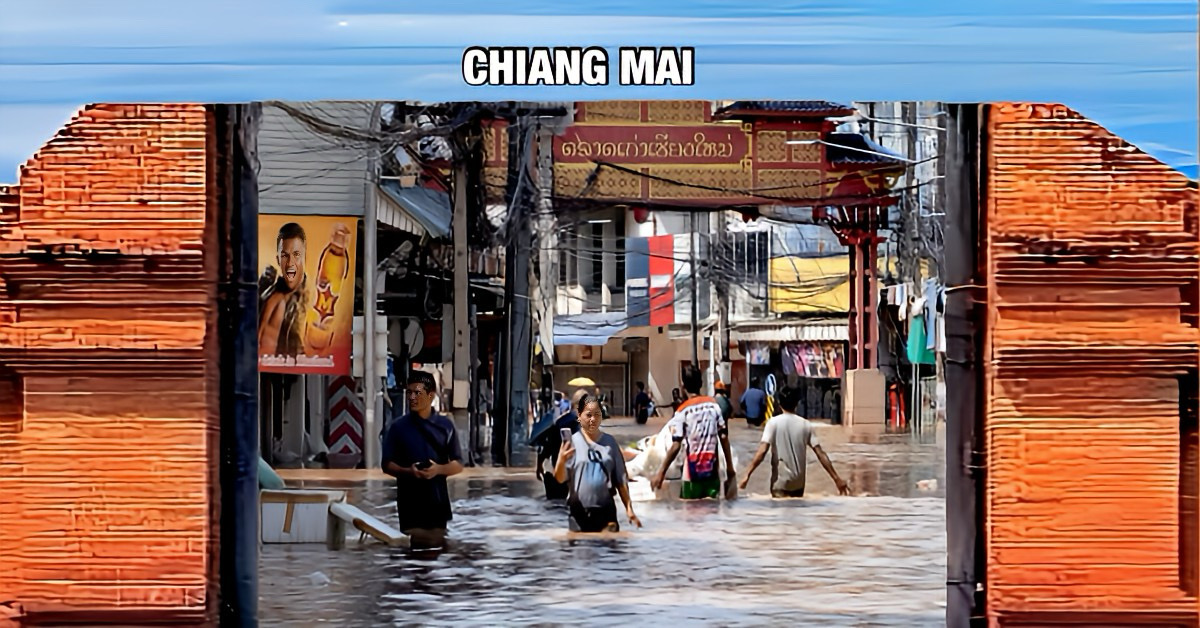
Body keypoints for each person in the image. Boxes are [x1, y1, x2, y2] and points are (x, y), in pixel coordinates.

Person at [381, 371, 465, 549]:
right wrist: (408, 472)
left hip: (438, 503)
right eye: (409, 392)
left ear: (431, 395)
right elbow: (386, 464)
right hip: (410, 505)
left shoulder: (445, 427)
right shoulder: (398, 428)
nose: (412, 397)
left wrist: (438, 470)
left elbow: (458, 464)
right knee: (412, 553)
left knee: (437, 550)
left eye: (417, 393)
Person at [739, 385, 850, 497]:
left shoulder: (773, 423)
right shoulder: (805, 424)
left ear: (779, 403)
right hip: (799, 485)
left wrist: (747, 475)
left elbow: (762, 452)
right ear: (797, 404)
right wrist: (837, 479)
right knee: (797, 507)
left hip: (780, 484)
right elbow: (820, 454)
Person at [554, 393, 642, 532]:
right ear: (579, 416)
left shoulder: (610, 443)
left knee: (608, 543)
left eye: (597, 415)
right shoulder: (571, 444)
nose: (593, 419)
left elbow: (621, 481)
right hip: (579, 513)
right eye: (588, 415)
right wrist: (561, 460)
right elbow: (560, 479)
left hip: (606, 512)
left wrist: (629, 509)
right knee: (579, 544)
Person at [651, 364, 737, 500]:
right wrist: (730, 469)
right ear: (701, 384)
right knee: (713, 509)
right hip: (712, 474)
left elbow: (676, 446)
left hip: (692, 475)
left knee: (690, 511)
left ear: (683, 386)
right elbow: (724, 438)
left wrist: (661, 473)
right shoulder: (714, 406)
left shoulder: (682, 411)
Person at [258, 222, 309, 358]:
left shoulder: (313, 298)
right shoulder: (270, 296)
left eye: (296, 254)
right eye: (285, 256)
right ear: (278, 259)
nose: (290, 263)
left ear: (304, 257)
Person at [535, 388, 589, 500]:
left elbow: (548, 446)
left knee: (558, 500)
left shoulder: (559, 422)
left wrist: (539, 464)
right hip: (578, 470)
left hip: (560, 466)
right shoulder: (586, 424)